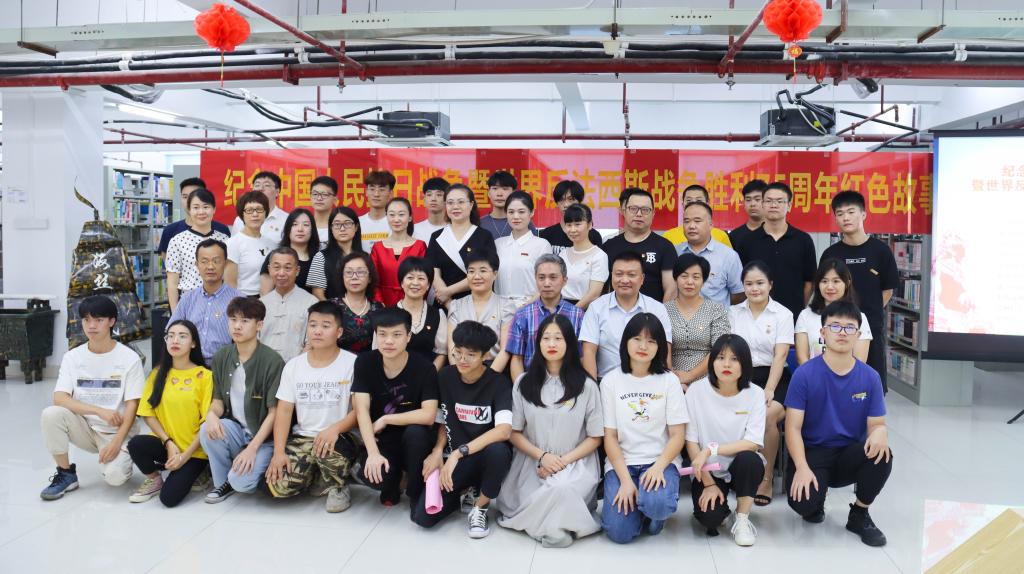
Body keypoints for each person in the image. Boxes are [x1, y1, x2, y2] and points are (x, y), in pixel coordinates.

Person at [785, 300, 892, 547]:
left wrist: (880, 431)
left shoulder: (870, 377)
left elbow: (877, 423)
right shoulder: (804, 374)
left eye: (849, 327)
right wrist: (801, 467)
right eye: (835, 326)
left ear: (858, 334)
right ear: (823, 333)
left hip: (849, 453)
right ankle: (817, 499)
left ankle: (860, 514)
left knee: (882, 454)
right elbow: (792, 428)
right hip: (813, 452)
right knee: (804, 505)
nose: (842, 333)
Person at [496, 314, 603, 548]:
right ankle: (557, 528)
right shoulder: (523, 383)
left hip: (575, 461)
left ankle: (547, 527)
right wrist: (543, 457)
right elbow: (514, 432)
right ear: (538, 343)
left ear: (570, 343)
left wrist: (560, 462)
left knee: (562, 488)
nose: (551, 344)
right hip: (532, 461)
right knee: (527, 499)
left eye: (558, 338)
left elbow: (595, 437)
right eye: (546, 338)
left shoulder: (587, 386)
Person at [411, 321, 513, 539]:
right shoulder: (445, 377)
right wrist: (438, 450)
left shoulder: (499, 383)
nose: (462, 359)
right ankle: (465, 491)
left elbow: (504, 431)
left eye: (471, 355)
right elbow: (443, 418)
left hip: (483, 457)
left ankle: (480, 506)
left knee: (498, 450)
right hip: (455, 461)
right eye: (458, 352)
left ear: (485, 355)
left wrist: (458, 453)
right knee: (423, 518)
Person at [40, 296, 145, 500]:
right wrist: (99, 411)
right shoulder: (72, 357)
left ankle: (125, 456)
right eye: (86, 320)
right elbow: (60, 398)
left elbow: (133, 406)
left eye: (99, 320)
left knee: (115, 477)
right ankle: (66, 474)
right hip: (86, 427)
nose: (91, 326)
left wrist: (117, 441)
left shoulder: (129, 358)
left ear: (112, 321)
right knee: (51, 414)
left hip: (117, 431)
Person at [600, 313, 688, 544]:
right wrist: (625, 481)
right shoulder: (610, 381)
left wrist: (658, 467)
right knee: (619, 533)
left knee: (658, 505)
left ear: (660, 347)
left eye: (651, 341)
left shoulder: (669, 381)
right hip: (623, 464)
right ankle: (641, 505)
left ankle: (652, 509)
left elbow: (678, 435)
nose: (643, 346)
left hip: (660, 461)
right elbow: (610, 437)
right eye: (637, 339)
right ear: (626, 341)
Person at [266, 301, 361, 513]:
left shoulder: (352, 363)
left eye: (325, 326)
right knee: (278, 487)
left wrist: (334, 429)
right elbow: (284, 411)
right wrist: (278, 452)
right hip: (304, 437)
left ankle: (338, 486)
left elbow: (359, 411)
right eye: (313, 325)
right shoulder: (294, 366)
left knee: (328, 453)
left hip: (340, 435)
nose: (317, 331)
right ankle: (314, 475)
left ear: (339, 332)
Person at [684, 334, 766, 546]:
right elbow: (691, 442)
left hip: (740, 464)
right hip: (708, 469)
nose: (727, 364)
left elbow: (752, 443)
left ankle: (742, 518)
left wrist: (711, 449)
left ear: (745, 364)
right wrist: (709, 484)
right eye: (721, 357)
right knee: (710, 519)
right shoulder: (696, 391)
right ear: (712, 361)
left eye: (734, 359)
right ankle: (723, 510)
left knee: (751, 459)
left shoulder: (755, 394)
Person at [201, 297, 284, 503]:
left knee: (242, 483)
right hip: (237, 432)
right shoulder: (222, 356)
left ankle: (242, 472)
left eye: (245, 321)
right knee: (206, 429)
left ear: (259, 325)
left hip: (263, 439)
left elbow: (274, 413)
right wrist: (211, 415)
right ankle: (223, 483)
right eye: (233, 320)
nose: (237, 326)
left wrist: (252, 449)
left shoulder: (272, 361)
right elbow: (218, 400)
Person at [353, 308, 439, 506]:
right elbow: (361, 409)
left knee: (416, 434)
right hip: (383, 438)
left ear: (408, 336)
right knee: (375, 476)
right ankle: (392, 482)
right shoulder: (365, 362)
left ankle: (415, 491)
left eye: (397, 335)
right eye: (382, 334)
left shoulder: (425, 368)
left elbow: (428, 415)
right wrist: (372, 453)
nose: (389, 341)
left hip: (414, 438)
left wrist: (386, 418)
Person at [126, 320, 213, 507]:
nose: (175, 340)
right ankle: (155, 479)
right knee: (136, 444)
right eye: (171, 336)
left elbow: (206, 424)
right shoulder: (157, 374)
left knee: (168, 499)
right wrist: (168, 442)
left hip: (194, 451)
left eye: (182, 336)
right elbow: (147, 413)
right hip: (167, 445)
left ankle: (200, 472)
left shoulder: (205, 376)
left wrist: (184, 457)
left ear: (193, 343)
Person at [820, 190, 899, 392]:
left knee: (870, 386)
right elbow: (825, 289)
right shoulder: (831, 253)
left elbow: (887, 290)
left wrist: (862, 317)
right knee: (837, 385)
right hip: (837, 330)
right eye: (840, 214)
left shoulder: (881, 251)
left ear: (863, 214)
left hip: (870, 327)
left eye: (851, 212)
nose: (845, 218)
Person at [729, 261, 793, 507]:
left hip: (775, 378)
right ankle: (739, 473)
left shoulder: (783, 314)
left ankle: (766, 478)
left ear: (770, 285)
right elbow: (730, 352)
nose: (754, 289)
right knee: (736, 414)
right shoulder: (733, 313)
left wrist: (769, 389)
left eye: (759, 283)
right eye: (749, 284)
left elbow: (780, 355)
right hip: (741, 377)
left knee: (766, 416)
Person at [580, 251, 673, 380]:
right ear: (611, 276)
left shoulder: (657, 309)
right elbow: (588, 352)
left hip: (648, 383)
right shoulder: (596, 307)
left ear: (642, 279)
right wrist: (593, 387)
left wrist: (663, 383)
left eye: (631, 275)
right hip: (605, 382)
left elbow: (664, 352)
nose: (624, 280)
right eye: (619, 274)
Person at [734, 182, 817, 321]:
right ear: (762, 204)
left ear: (789, 206)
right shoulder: (747, 241)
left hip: (793, 315)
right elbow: (740, 281)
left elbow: (809, 281)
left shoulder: (803, 240)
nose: (773, 205)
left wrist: (799, 307)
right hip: (755, 316)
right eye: (769, 201)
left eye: (779, 201)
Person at [506, 254, 583, 380]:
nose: (547, 283)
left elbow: (581, 357)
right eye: (541, 278)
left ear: (564, 280)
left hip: (568, 382)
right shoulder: (522, 315)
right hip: (532, 383)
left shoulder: (578, 315)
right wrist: (521, 389)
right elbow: (517, 359)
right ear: (535, 279)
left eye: (553, 277)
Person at [169, 239, 244, 362]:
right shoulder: (187, 299)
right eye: (204, 261)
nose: (210, 266)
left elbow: (245, 340)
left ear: (225, 264)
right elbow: (172, 331)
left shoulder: (239, 300)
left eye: (216, 261)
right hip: (190, 364)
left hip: (224, 365)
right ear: (197, 265)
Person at [601, 188, 677, 302]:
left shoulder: (665, 247)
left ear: (653, 213)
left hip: (652, 312)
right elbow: (601, 287)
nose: (639, 214)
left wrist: (661, 312)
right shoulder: (609, 246)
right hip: (615, 311)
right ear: (624, 211)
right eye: (633, 209)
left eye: (645, 210)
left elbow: (671, 289)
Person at [667, 253, 731, 389]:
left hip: (708, 378)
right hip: (671, 378)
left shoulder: (716, 310)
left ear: (703, 280)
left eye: (696, 277)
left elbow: (720, 348)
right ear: (676, 278)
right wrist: (672, 378)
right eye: (684, 276)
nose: (690, 282)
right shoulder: (663, 310)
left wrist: (690, 376)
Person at [446, 250, 516, 372]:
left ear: (495, 274)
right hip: (460, 369)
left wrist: (488, 378)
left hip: (493, 370)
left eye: (483, 271)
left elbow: (505, 350)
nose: (477, 276)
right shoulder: (456, 306)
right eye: (471, 271)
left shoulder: (506, 306)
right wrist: (459, 375)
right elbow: (452, 347)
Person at [427, 184, 497, 306]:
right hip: (444, 304)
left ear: (471, 205)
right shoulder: (437, 237)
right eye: (450, 203)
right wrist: (449, 304)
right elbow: (433, 272)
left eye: (461, 202)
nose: (455, 207)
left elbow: (486, 272)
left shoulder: (484, 236)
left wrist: (448, 291)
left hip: (477, 303)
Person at [796, 258, 873, 365]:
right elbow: (802, 357)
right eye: (824, 281)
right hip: (813, 374)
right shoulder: (805, 315)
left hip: (847, 375)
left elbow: (860, 360)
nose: (830, 287)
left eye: (836, 281)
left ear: (847, 283)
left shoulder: (860, 317)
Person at [166, 188, 231, 311]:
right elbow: (172, 282)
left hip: (219, 303)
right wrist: (175, 314)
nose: (201, 212)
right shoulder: (177, 241)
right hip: (190, 303)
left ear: (214, 209)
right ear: (189, 210)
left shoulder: (225, 240)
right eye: (196, 207)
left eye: (206, 207)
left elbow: (229, 277)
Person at [674, 201, 745, 308]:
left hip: (717, 317)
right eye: (686, 221)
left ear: (711, 225)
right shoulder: (674, 252)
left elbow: (739, 294)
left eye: (697, 221)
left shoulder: (728, 256)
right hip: (681, 317)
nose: (691, 226)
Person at [494, 191, 552, 309]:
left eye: (521, 212)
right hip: (499, 309)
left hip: (531, 308)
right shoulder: (498, 244)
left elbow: (546, 282)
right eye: (511, 212)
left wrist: (525, 307)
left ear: (531, 212)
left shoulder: (542, 245)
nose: (516, 217)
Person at [260, 247, 319, 361]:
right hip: (264, 367)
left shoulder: (311, 303)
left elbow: (312, 342)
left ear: (297, 270)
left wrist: (294, 366)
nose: (281, 273)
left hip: (298, 366)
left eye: (287, 268)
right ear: (269, 269)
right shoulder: (260, 304)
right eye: (276, 267)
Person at [371, 197, 427, 307]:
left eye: (401, 214)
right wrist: (380, 303)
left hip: (413, 302)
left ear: (410, 217)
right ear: (386, 216)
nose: (396, 219)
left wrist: (413, 302)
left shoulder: (420, 246)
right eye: (392, 215)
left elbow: (424, 279)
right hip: (383, 305)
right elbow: (373, 281)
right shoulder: (378, 247)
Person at [395, 257, 448, 371]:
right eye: (410, 278)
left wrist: (428, 375)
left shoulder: (438, 315)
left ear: (428, 285)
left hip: (428, 376)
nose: (415, 283)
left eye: (421, 278)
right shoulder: (389, 314)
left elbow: (442, 353)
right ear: (402, 283)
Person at [157, 177, 231, 255]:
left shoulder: (222, 230)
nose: (189, 201)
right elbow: (168, 260)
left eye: (194, 195)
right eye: (185, 197)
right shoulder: (170, 231)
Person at [225, 191, 278, 296]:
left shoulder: (272, 244)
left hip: (269, 299)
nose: (255, 214)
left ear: (266, 213)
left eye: (259, 209)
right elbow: (230, 284)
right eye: (249, 210)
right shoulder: (232, 244)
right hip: (243, 299)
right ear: (242, 214)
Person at [331, 252, 385, 354]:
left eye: (360, 272)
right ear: (342, 277)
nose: (354, 277)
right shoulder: (331, 307)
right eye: (349, 272)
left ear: (369, 278)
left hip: (369, 362)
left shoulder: (379, 308)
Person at [307, 206, 363, 301]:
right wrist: (334, 310)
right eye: (337, 224)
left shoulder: (365, 257)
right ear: (331, 228)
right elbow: (317, 294)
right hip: (331, 309)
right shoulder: (321, 257)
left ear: (356, 227)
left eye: (347, 223)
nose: (342, 229)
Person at [558, 203, 608, 310]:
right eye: (569, 225)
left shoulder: (599, 256)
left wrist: (571, 313)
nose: (572, 230)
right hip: (560, 308)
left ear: (589, 225)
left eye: (577, 224)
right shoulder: (562, 254)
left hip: (585, 311)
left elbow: (594, 294)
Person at [258, 208, 316, 296]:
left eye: (306, 225)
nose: (300, 229)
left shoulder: (318, 258)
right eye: (295, 224)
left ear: (312, 230)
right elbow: (265, 295)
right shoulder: (275, 256)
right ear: (288, 229)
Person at [539, 180, 604, 256]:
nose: (566, 205)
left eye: (571, 199)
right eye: (561, 200)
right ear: (556, 203)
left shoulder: (593, 235)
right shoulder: (547, 234)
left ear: (580, 202)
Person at [663, 184, 732, 248]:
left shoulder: (721, 236)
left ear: (707, 204)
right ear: (683, 204)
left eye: (699, 200)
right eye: (689, 200)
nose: (694, 203)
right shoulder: (669, 236)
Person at [231, 171, 289, 241]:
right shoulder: (240, 219)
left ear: (277, 192)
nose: (260, 189)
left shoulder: (287, 220)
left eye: (267, 185)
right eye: (257, 185)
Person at [480, 171, 536, 239]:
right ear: (488, 193)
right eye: (495, 188)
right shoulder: (479, 224)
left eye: (505, 189)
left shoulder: (523, 222)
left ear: (513, 192)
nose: (499, 194)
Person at [359, 170, 395, 251]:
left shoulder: (396, 223)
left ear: (390, 194)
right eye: (372, 189)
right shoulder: (357, 223)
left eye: (381, 190)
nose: (376, 194)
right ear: (366, 192)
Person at [729, 179, 767, 248]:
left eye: (757, 199)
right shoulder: (734, 236)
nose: (752, 204)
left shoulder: (776, 234)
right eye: (748, 200)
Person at [413, 176, 449, 243]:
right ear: (424, 200)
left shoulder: (454, 229)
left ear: (447, 200)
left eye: (439, 195)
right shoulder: (414, 230)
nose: (433, 199)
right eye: (429, 195)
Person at [309, 175, 339, 249]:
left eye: (325, 194)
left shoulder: (340, 228)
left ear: (335, 200)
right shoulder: (304, 227)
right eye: (315, 194)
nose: (319, 198)